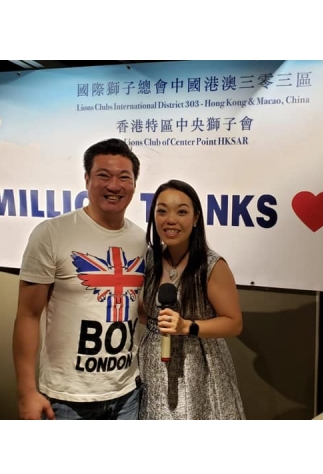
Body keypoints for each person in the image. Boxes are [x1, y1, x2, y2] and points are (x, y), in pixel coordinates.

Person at [12, 138, 147, 420]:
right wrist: (26, 392)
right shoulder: (51, 233)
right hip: (67, 398)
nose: (114, 185)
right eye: (103, 175)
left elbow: (141, 309)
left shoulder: (142, 241)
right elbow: (27, 315)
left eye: (124, 177)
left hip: (127, 394)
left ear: (134, 184)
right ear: (87, 179)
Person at [138, 179, 245, 419]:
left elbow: (234, 323)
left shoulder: (211, 265)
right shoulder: (149, 259)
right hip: (153, 362)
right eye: (162, 211)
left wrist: (187, 326)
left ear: (196, 218)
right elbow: (148, 315)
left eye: (181, 212)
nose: (170, 220)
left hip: (199, 366)